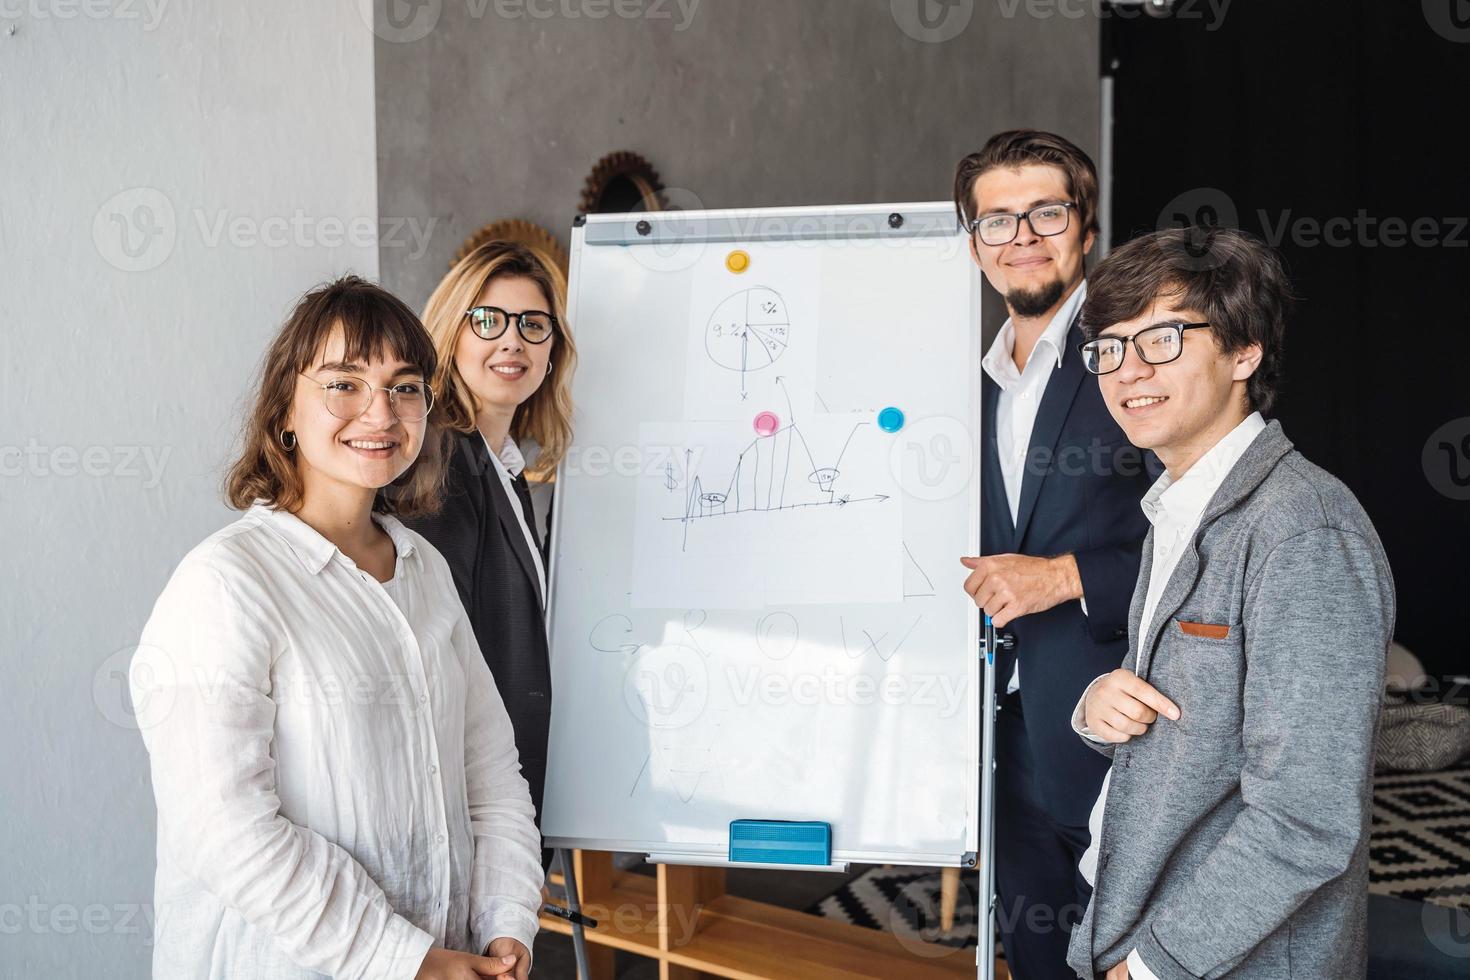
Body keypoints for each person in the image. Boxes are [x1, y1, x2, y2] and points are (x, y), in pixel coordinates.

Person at [132, 276, 543, 980]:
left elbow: (490, 776)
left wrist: (509, 921)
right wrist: (404, 960)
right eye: (344, 384)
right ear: (285, 408)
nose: (380, 412)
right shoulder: (226, 583)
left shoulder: (426, 573)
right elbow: (223, 831)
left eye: (404, 387)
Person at [1067, 227, 1394, 980]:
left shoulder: (1303, 527)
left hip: (1223, 960)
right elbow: (1188, 720)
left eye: (1162, 338)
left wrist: (1150, 967)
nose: (1128, 371)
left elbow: (1305, 819)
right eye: (1109, 348)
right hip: (1134, 919)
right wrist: (1098, 704)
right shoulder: (1178, 506)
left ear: (1244, 352)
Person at [954, 130, 1155, 978]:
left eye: (1044, 211)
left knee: (1141, 956)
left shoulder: (1138, 350)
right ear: (974, 245)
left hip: (1124, 726)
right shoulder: (966, 380)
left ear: (1085, 226)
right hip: (999, 730)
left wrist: (1066, 577)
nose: (1021, 236)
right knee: (1039, 953)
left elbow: (1206, 533)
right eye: (996, 220)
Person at [405, 241, 577, 843]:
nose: (513, 342)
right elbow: (436, 653)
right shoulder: (441, 459)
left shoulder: (501, 466)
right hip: (466, 805)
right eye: (488, 321)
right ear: (452, 335)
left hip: (505, 794)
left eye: (533, 325)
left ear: (553, 350)